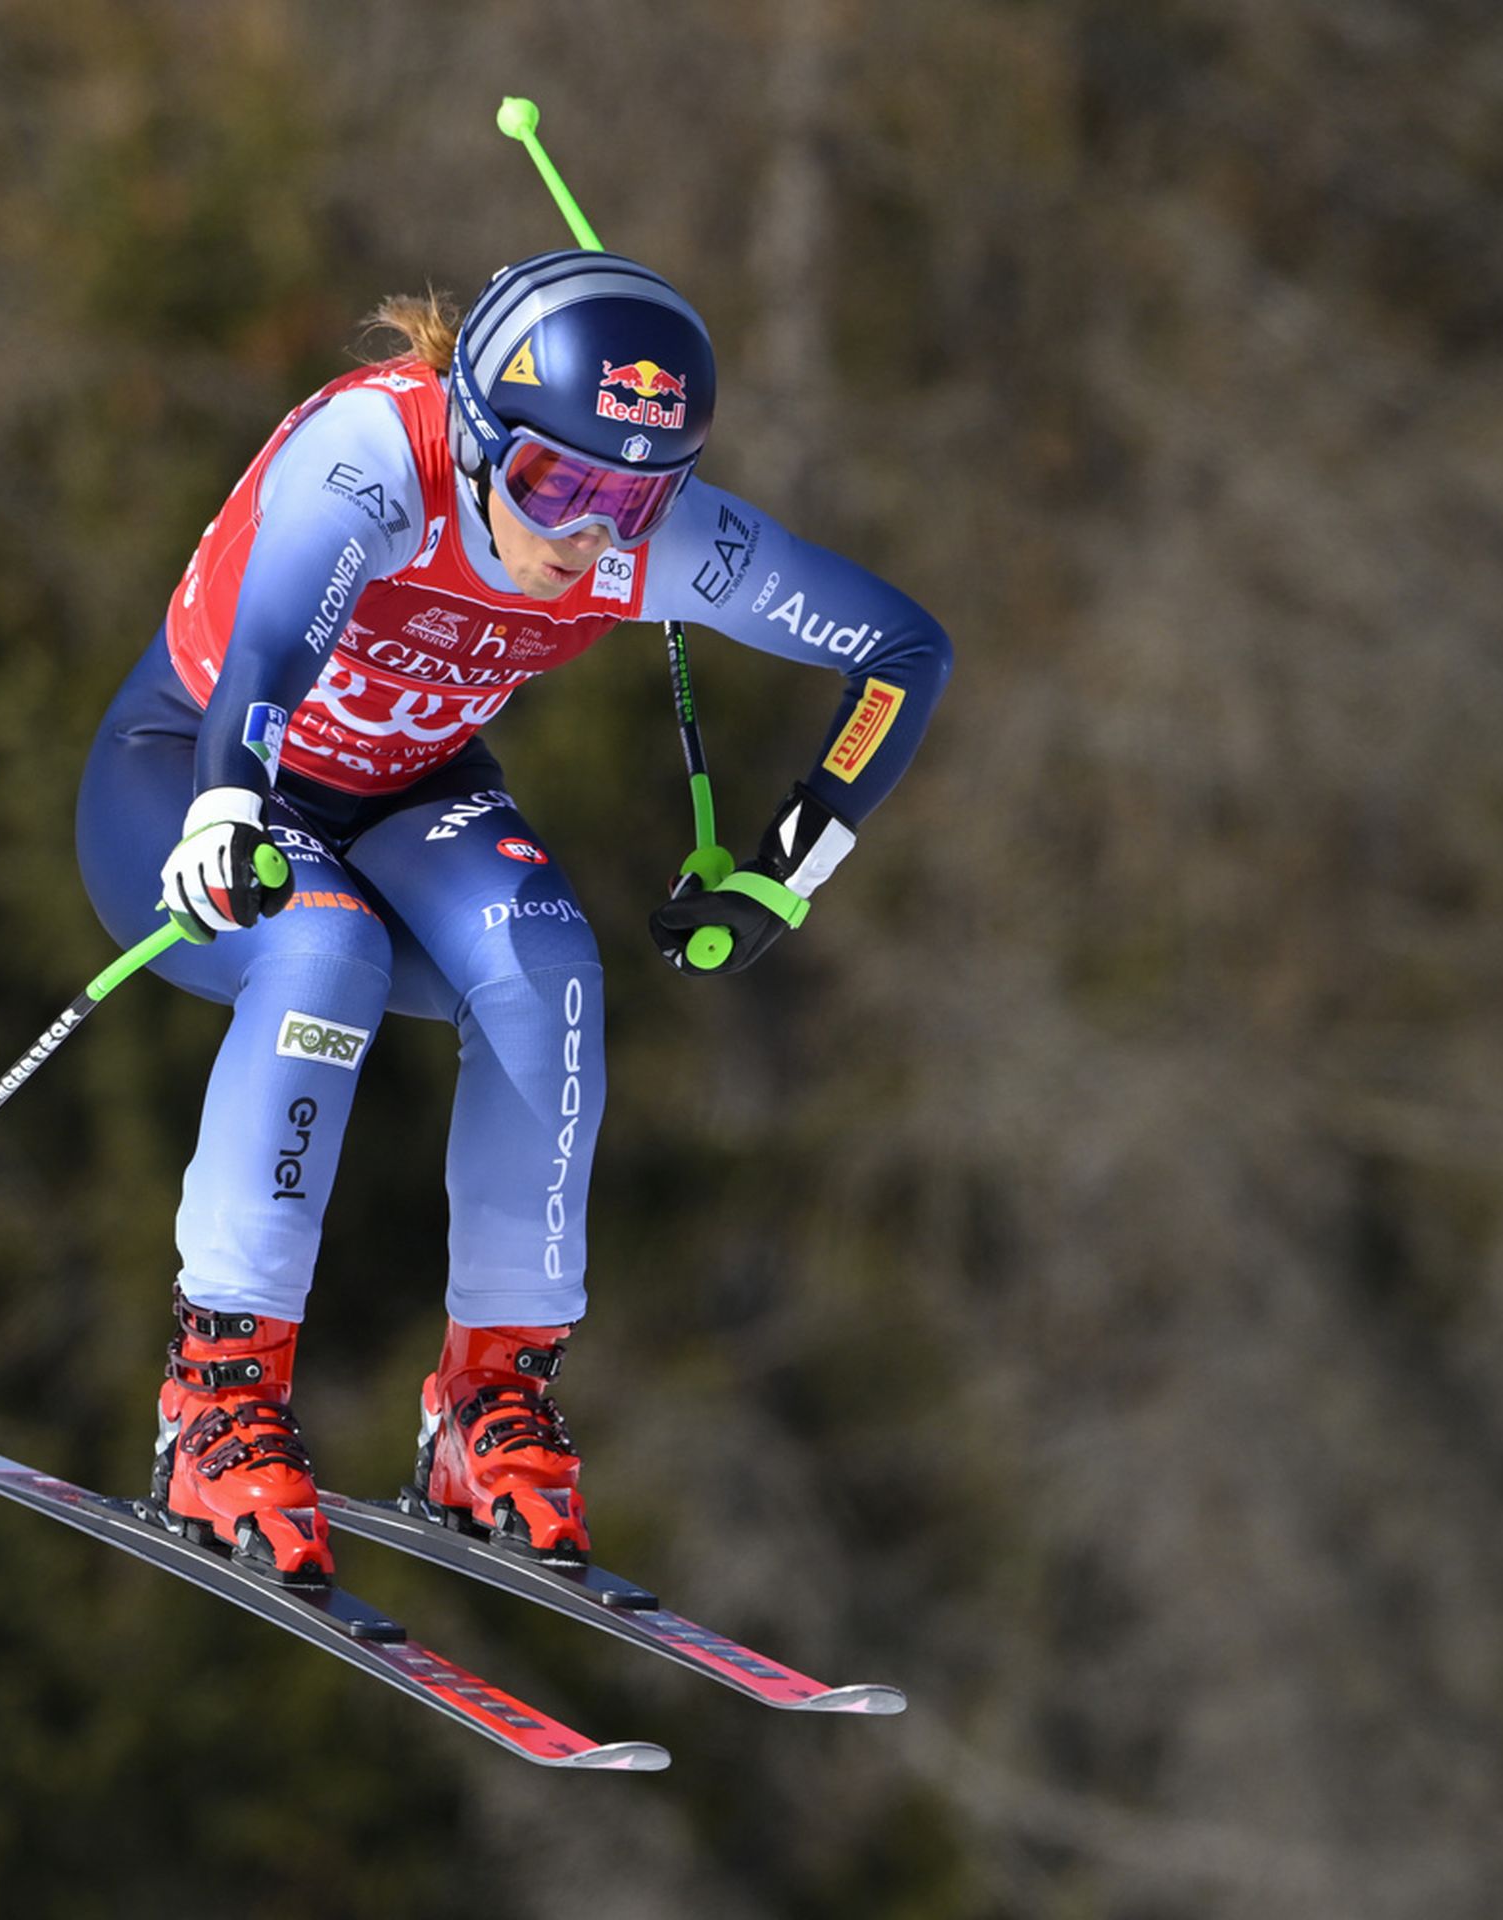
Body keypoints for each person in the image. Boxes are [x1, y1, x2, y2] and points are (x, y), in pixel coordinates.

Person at [74, 250, 951, 1582]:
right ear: (483, 438)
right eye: (555, 486)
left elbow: (901, 652)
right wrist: (228, 811)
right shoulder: (377, 459)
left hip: (405, 790)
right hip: (192, 766)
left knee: (550, 968)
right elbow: (266, 657)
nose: (586, 538)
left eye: (634, 503)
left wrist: (786, 862)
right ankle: (217, 1402)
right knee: (326, 954)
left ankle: (490, 1404)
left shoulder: (654, 545)